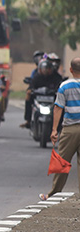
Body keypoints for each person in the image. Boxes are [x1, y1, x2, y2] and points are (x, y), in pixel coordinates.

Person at [39, 57, 80, 201]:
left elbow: (58, 108)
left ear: (70, 70)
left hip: (70, 129)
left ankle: (53, 193)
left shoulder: (64, 86)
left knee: (63, 161)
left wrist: (54, 130)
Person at [21, 59, 64, 128]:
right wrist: (30, 90)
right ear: (40, 69)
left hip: (52, 99)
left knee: (62, 104)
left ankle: (61, 123)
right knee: (28, 97)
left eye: (47, 69)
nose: (45, 70)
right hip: (39, 98)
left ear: (51, 69)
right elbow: (31, 86)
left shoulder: (56, 77)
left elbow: (61, 85)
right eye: (44, 69)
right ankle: (28, 120)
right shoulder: (37, 77)